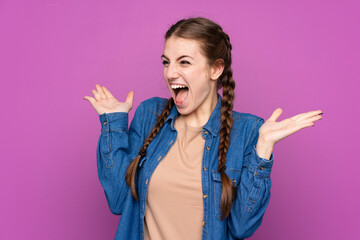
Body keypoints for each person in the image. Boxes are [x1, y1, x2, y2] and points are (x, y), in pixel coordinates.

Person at [84, 17, 323, 240]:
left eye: (184, 62)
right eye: (166, 62)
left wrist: (263, 151)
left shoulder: (248, 131)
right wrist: (112, 123)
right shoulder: (149, 114)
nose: (170, 73)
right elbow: (117, 200)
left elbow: (242, 227)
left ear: (215, 69)